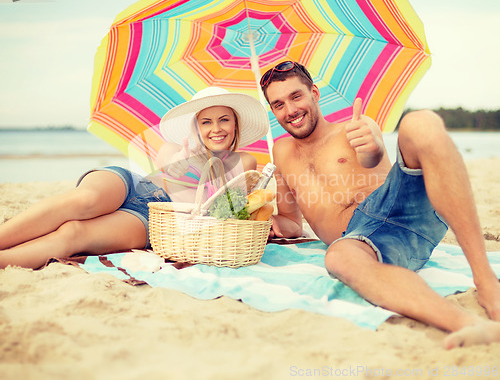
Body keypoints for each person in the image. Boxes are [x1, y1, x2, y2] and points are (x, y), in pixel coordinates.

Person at [260, 61, 500, 349]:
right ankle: (471, 325)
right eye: (278, 104)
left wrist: (371, 147)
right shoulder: (281, 152)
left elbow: (372, 156)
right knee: (337, 258)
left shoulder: (355, 128)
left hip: (398, 205)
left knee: (418, 122)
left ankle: (487, 283)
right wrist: (272, 225)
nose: (290, 111)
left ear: (314, 93)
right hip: (366, 243)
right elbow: (291, 222)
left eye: (296, 96)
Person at [0, 87, 269, 270]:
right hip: (130, 184)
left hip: (153, 217)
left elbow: (229, 212)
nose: (216, 129)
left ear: (236, 124)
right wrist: (184, 163)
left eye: (224, 120)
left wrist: (216, 170)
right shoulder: (176, 148)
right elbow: (166, 168)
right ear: (196, 127)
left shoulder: (245, 162)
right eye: (206, 122)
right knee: (84, 200)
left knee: (74, 232)